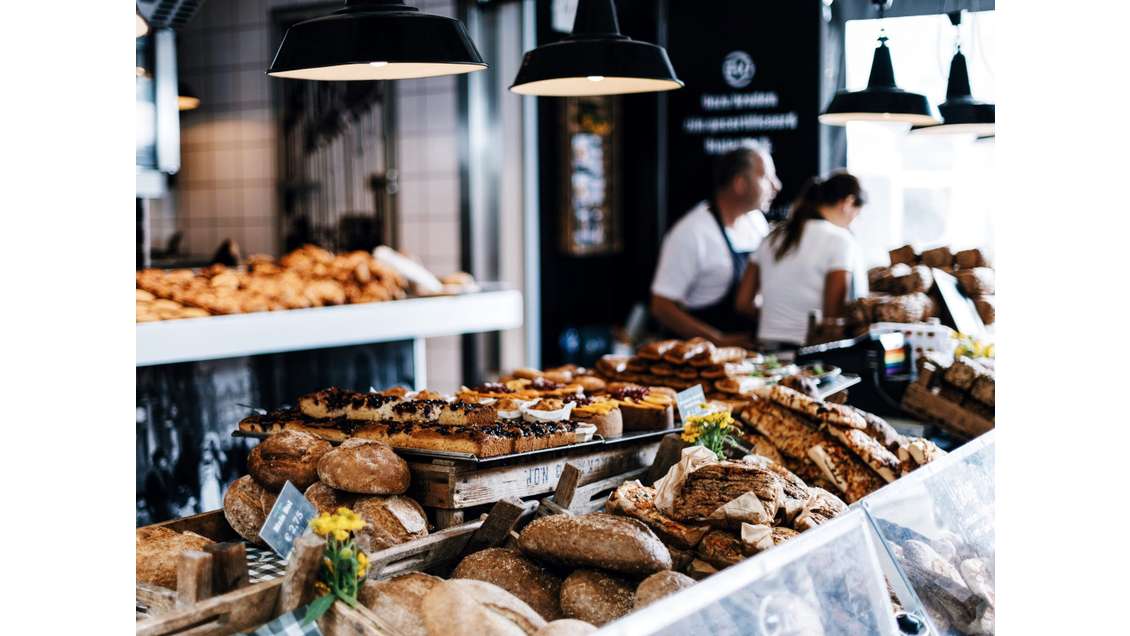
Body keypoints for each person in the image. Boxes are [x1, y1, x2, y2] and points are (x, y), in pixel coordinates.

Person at [650, 145, 782, 346]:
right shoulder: (692, 232)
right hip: (702, 359)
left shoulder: (756, 222)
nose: (776, 186)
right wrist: (718, 341)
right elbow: (661, 306)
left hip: (749, 353)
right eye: (766, 177)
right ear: (740, 183)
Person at [735, 171, 869, 349]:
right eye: (857, 214)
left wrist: (778, 319)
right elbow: (832, 318)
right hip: (809, 354)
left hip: (766, 350)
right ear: (848, 203)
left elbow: (743, 303)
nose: (854, 221)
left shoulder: (772, 237)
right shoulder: (840, 240)